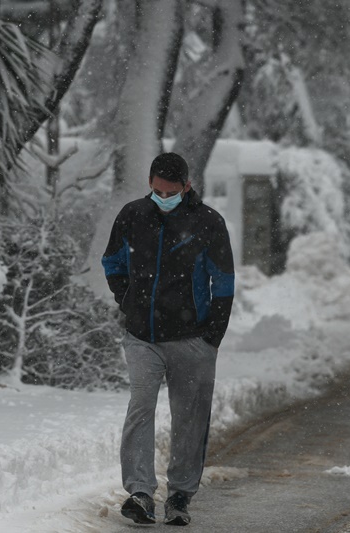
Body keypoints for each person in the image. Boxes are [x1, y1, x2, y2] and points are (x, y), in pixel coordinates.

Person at [101, 152, 235, 526]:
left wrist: (212, 336)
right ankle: (141, 493)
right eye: (157, 190)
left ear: (186, 186)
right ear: (150, 183)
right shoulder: (133, 215)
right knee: (140, 408)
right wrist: (127, 301)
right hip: (142, 336)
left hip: (192, 339)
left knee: (190, 418)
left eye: (170, 192)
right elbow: (111, 261)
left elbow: (223, 281)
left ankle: (180, 495)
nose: (163, 197)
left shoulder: (208, 222)